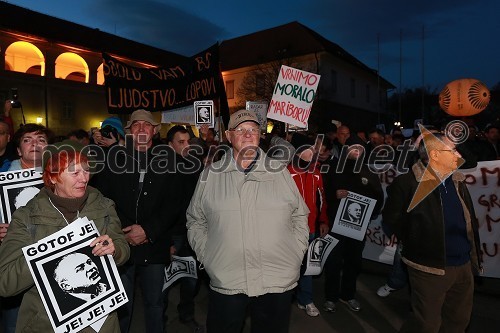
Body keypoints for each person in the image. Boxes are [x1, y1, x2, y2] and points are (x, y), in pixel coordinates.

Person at [186, 109, 309, 333]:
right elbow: (196, 220)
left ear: (260, 135)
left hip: (277, 278)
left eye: (253, 129)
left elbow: (300, 215)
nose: (247, 134)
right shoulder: (210, 175)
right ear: (229, 136)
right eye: (240, 129)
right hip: (228, 279)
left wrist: (296, 252)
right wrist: (208, 255)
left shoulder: (279, 172)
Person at [0, 139, 129, 333]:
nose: (84, 178)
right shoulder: (26, 217)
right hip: (46, 324)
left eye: (86, 170)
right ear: (52, 177)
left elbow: (122, 247)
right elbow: (5, 283)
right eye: (74, 172)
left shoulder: (103, 206)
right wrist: (44, 254)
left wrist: (115, 250)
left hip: (101, 324)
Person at [90, 109, 181, 333]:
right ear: (129, 131)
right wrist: (121, 233)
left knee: (155, 304)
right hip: (120, 245)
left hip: (154, 243)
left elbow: (174, 203)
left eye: (146, 125)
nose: (141, 129)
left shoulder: (169, 161)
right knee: (121, 306)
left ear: (154, 131)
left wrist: (148, 230)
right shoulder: (114, 160)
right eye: (136, 125)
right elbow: (103, 200)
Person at [383, 132, 482, 333]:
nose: (457, 154)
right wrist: (415, 241)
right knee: (426, 325)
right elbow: (391, 219)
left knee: (458, 321)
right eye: (452, 150)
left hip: (463, 265)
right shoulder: (407, 183)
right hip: (428, 268)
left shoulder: (457, 180)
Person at [323, 136, 383, 313]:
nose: (357, 150)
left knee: (353, 262)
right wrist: (334, 195)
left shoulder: (368, 172)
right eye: (353, 147)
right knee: (333, 262)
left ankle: (348, 295)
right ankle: (331, 297)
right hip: (335, 225)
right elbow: (322, 194)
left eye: (360, 148)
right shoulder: (333, 169)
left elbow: (378, 197)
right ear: (345, 149)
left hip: (357, 227)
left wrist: (370, 210)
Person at [165, 125, 204, 331]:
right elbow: (161, 206)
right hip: (170, 234)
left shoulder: (195, 166)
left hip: (192, 232)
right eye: (181, 142)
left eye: (189, 141)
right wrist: (168, 240)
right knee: (165, 278)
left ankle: (186, 313)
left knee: (191, 278)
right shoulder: (162, 168)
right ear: (170, 145)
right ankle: (159, 315)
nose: (187, 146)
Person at [287, 144, 329, 317]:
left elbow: (322, 199)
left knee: (307, 266)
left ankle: (306, 299)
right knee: (289, 265)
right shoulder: (286, 172)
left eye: (311, 153)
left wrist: (323, 220)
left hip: (311, 228)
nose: (309, 156)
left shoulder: (316, 173)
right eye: (305, 152)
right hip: (290, 229)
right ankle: (284, 299)